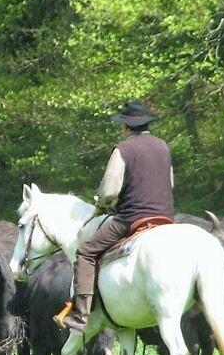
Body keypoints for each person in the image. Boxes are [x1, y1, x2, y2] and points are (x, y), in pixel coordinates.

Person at [58, 101, 175, 334]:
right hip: (166, 218)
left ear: (126, 127)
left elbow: (109, 191)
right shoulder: (163, 147)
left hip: (132, 219)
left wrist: (101, 205)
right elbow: (170, 183)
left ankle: (81, 315)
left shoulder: (123, 149)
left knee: (86, 252)